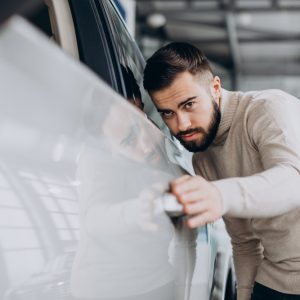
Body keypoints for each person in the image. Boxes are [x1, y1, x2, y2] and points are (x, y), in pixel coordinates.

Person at [143, 42, 300, 300]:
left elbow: (293, 179)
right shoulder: (202, 159)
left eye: (189, 104)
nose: (181, 124)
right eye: (167, 113)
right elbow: (244, 241)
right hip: (272, 283)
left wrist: (219, 194)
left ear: (215, 88)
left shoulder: (268, 109)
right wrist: (245, 295)